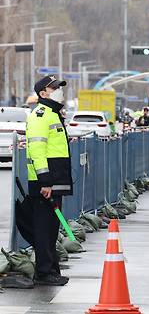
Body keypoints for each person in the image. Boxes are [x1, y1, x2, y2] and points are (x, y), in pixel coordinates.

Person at [26, 76, 73, 286]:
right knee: (45, 229)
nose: (57, 91)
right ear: (43, 94)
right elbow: (37, 150)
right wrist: (45, 182)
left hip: (54, 182)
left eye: (58, 88)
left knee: (52, 228)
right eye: (53, 88)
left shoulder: (53, 114)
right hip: (45, 183)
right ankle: (44, 272)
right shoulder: (40, 115)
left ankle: (52, 269)